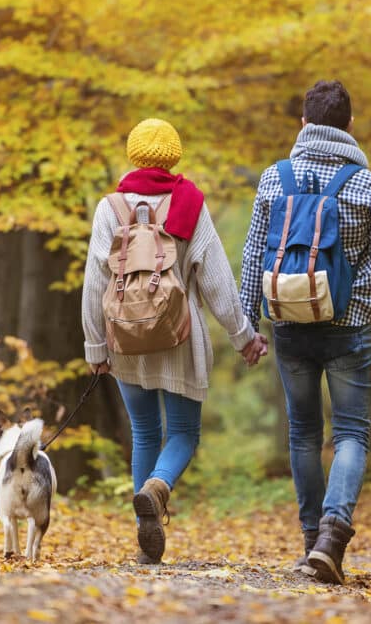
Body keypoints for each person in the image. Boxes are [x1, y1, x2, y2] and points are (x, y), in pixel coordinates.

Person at [82, 118, 268, 564]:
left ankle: (145, 531)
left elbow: (94, 282)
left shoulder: (109, 209)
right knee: (183, 432)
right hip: (180, 337)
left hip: (125, 339)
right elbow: (219, 283)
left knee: (145, 431)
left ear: (133, 155)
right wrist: (244, 337)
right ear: (174, 156)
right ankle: (158, 489)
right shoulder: (189, 204)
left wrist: (95, 346)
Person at [239, 81, 371, 585]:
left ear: (304, 125)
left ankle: (312, 542)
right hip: (350, 326)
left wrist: (249, 325)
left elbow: (250, 256)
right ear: (350, 126)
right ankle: (334, 534)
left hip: (288, 323)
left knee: (303, 433)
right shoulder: (369, 186)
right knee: (350, 432)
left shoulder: (273, 179)